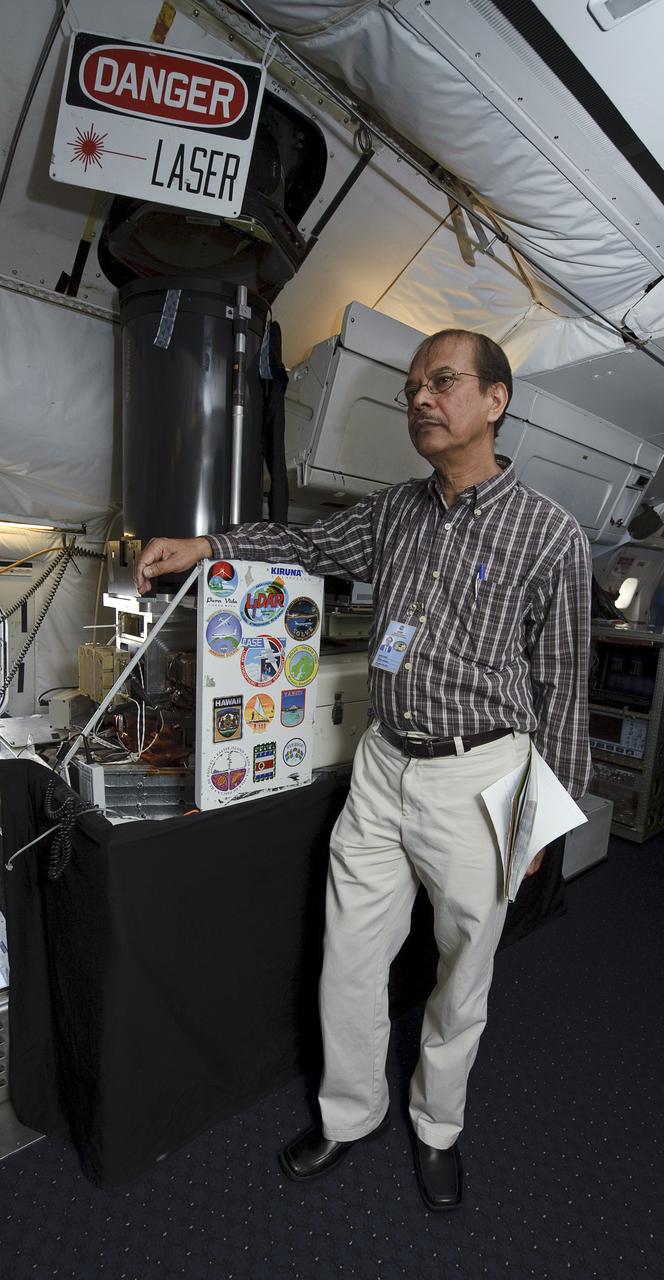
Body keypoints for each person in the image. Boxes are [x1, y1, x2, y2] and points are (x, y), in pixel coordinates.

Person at [135, 328, 592, 1211]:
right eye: (413, 386)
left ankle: (438, 1127)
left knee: (464, 977)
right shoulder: (394, 513)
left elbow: (564, 690)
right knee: (348, 958)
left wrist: (545, 821)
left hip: (479, 779)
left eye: (443, 382)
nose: (420, 398)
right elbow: (302, 547)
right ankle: (350, 1115)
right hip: (384, 770)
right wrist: (205, 549)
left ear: (496, 400)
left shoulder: (553, 537)